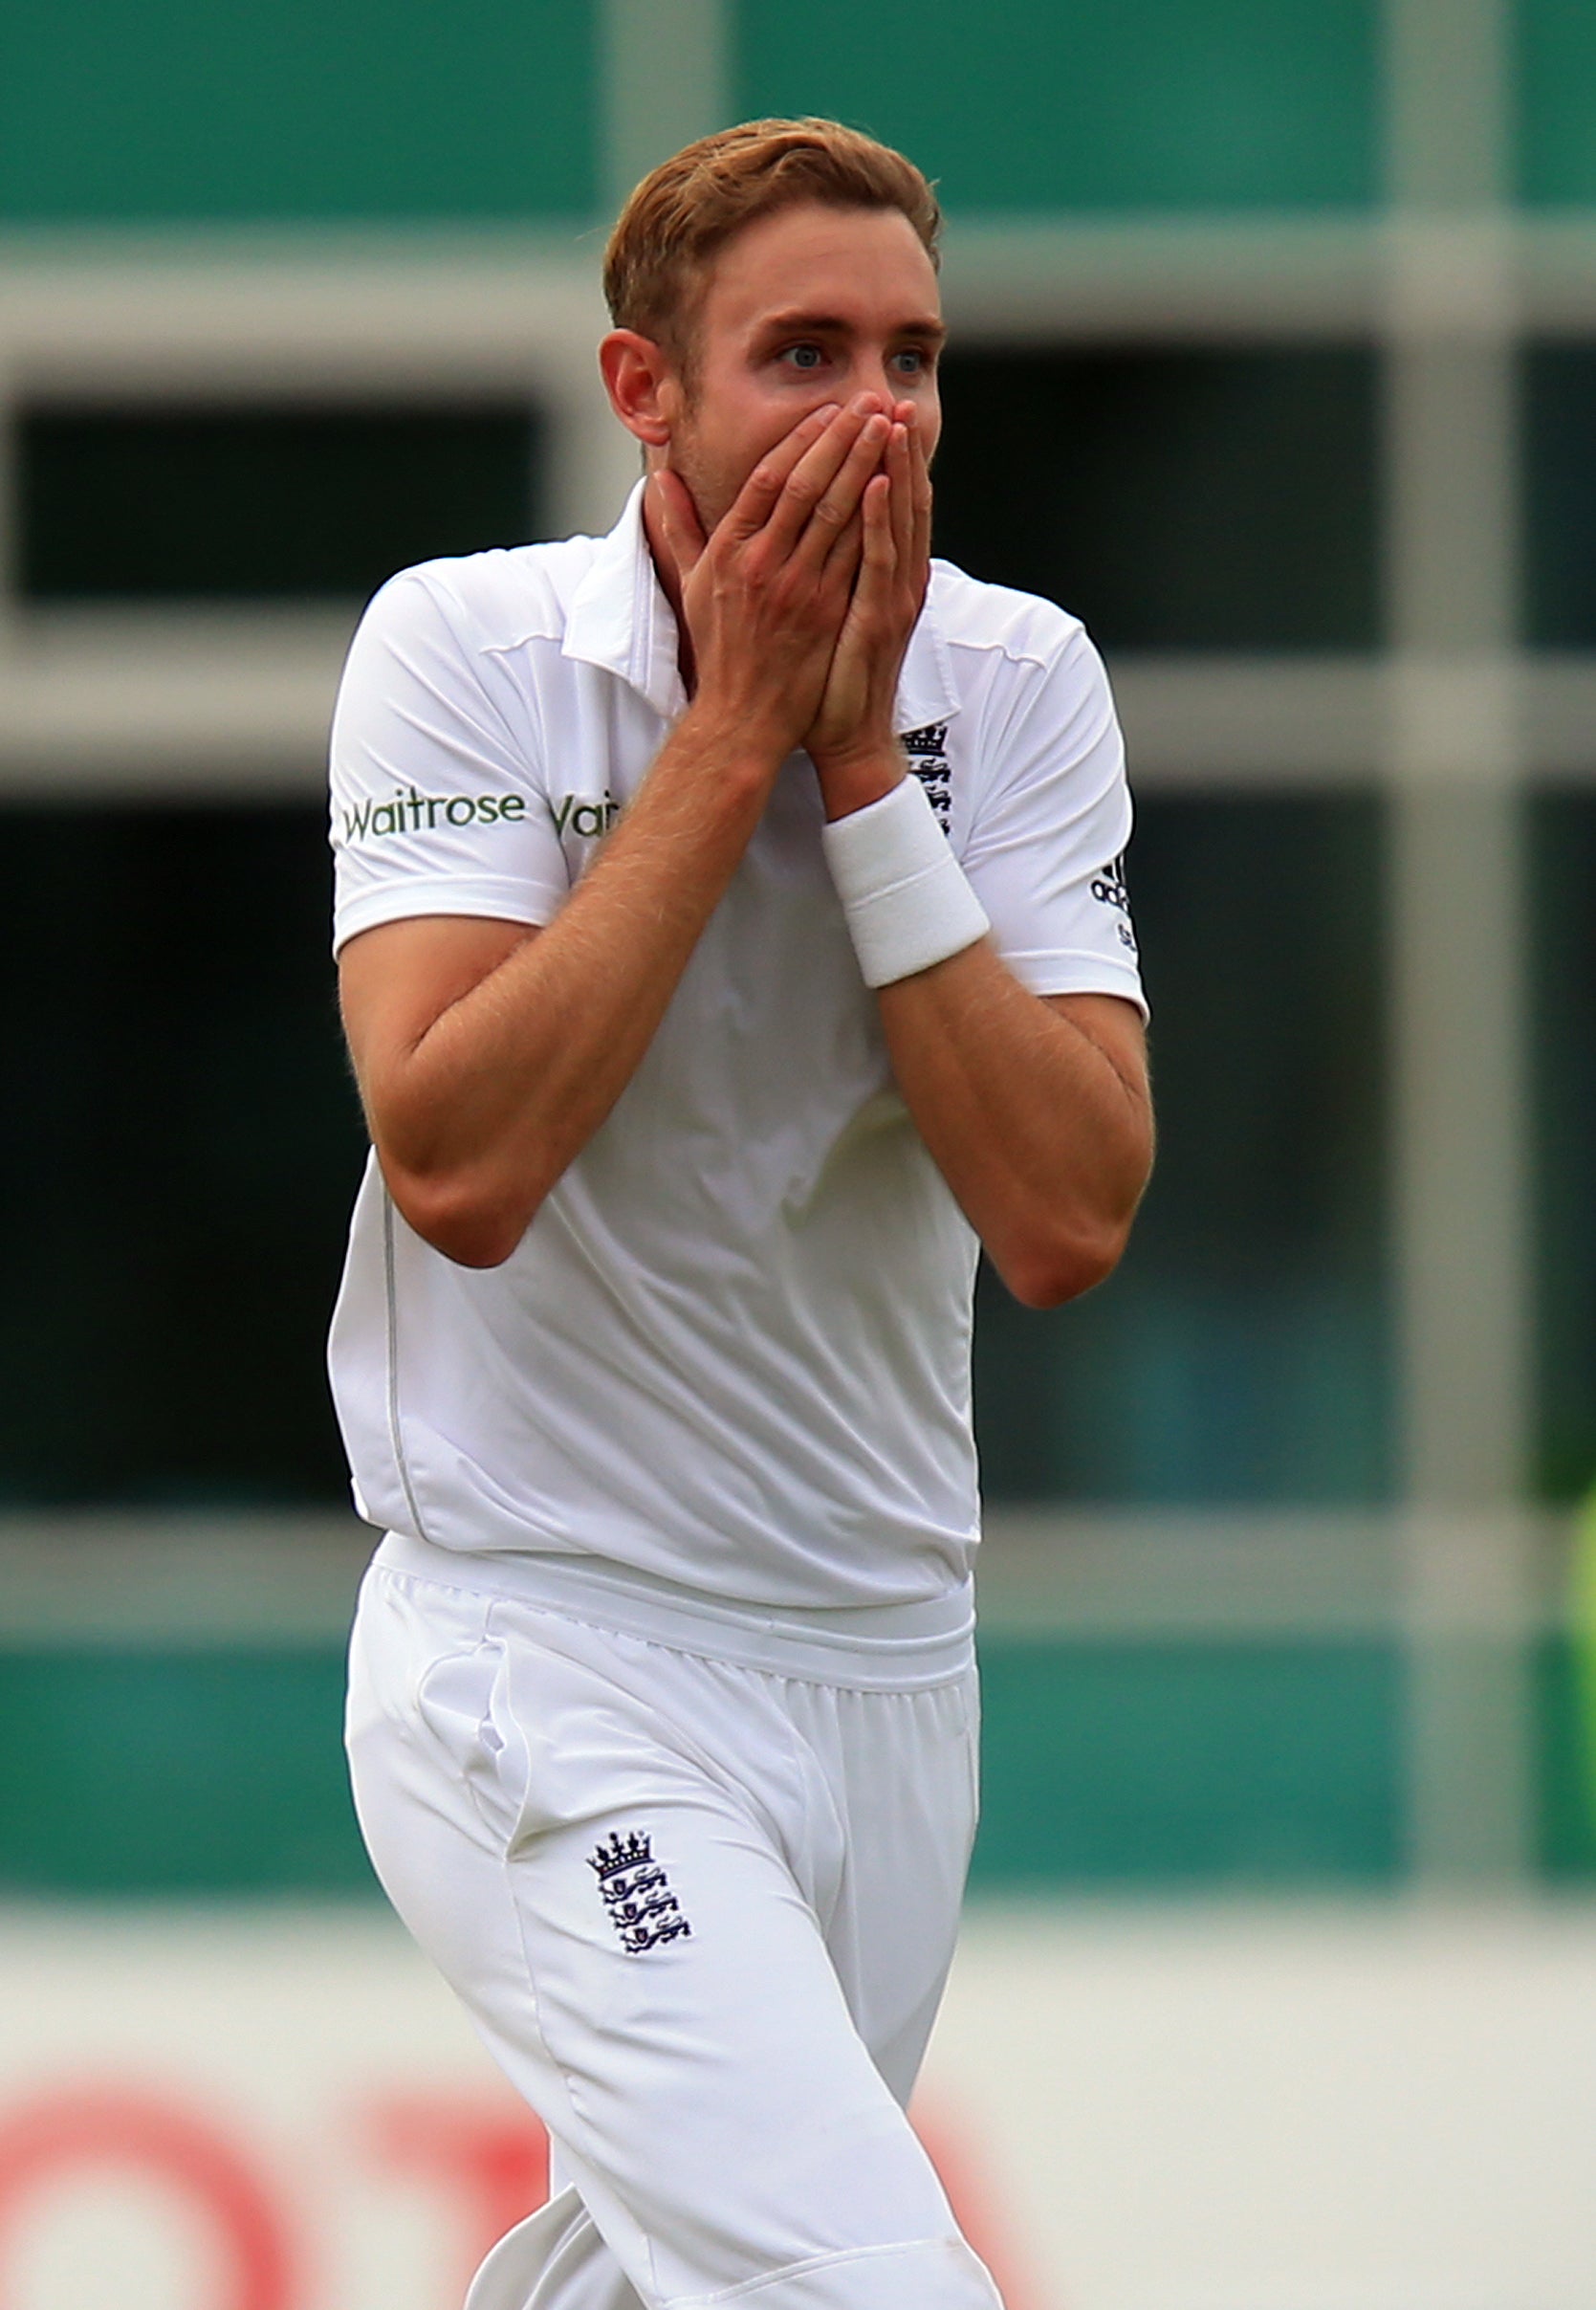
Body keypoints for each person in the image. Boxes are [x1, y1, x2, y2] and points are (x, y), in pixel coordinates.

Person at [328, 118, 1151, 2310]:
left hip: (888, 1667)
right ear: (643, 390)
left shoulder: (1013, 686)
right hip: (550, 1651)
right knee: (873, 2288)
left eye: (913, 356)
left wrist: (864, 770)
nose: (875, 416)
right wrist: (729, 741)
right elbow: (458, 1158)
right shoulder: (468, 650)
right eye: (800, 354)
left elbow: (1069, 1210)